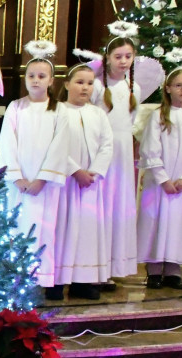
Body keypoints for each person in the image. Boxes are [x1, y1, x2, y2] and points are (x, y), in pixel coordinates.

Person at [0, 46, 66, 299]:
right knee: (18, 228)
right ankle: (16, 278)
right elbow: (7, 142)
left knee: (43, 229)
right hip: (20, 183)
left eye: (41, 76)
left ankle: (39, 280)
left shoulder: (59, 110)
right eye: (31, 76)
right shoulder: (16, 107)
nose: (36, 80)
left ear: (51, 80)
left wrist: (43, 178)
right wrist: (16, 176)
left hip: (45, 186)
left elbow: (60, 146)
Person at [136, 68, 182, 290]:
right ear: (168, 88)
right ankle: (154, 268)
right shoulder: (158, 115)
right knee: (156, 221)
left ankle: (173, 269)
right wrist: (163, 178)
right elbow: (150, 149)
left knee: (178, 222)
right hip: (161, 182)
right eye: (178, 85)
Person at [53, 64, 115, 300]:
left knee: (88, 231)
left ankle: (84, 280)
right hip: (66, 183)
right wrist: (75, 170)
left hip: (91, 183)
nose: (85, 87)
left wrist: (94, 172)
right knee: (64, 228)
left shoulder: (98, 114)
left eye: (90, 83)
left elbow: (107, 145)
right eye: (80, 82)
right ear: (67, 84)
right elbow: (55, 144)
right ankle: (57, 281)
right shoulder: (57, 111)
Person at [91, 34, 141, 286]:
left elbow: (131, 123)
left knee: (117, 209)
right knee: (100, 208)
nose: (123, 61)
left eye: (128, 57)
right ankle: (94, 266)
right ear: (107, 58)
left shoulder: (134, 89)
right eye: (118, 56)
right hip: (101, 151)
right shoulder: (97, 86)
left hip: (122, 155)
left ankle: (111, 266)